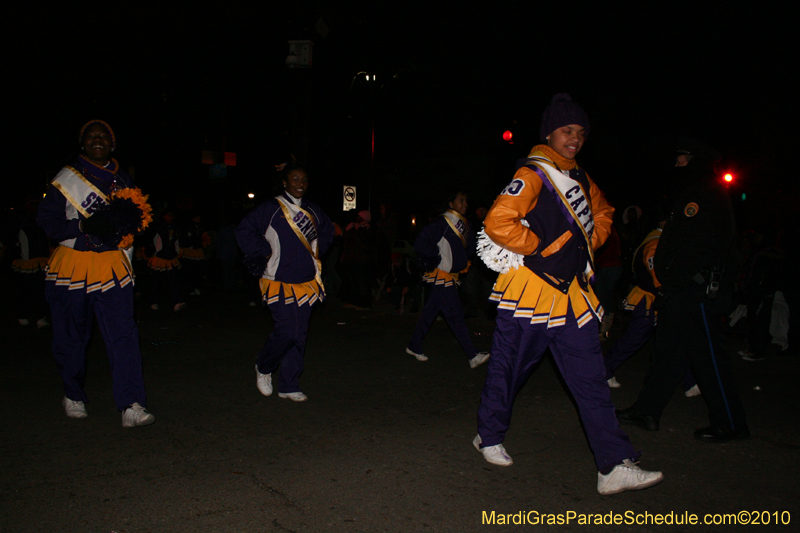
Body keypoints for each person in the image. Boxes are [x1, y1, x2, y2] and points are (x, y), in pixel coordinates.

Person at [474, 94, 662, 495]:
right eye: (567, 131)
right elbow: (497, 221)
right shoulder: (534, 173)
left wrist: (588, 241)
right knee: (510, 368)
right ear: (549, 133)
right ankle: (489, 434)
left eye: (580, 132)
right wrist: (542, 247)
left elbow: (605, 212)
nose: (574, 139)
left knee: (591, 380)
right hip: (531, 292)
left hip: (572, 295)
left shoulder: (581, 177)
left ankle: (612, 465)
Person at [617, 138, 748, 442]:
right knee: (668, 352)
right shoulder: (696, 191)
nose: (676, 164)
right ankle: (647, 411)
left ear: (695, 160)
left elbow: (695, 248)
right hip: (684, 289)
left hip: (696, 290)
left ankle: (730, 422)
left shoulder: (704, 194)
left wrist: (673, 283)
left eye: (681, 159)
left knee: (709, 356)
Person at [36, 120, 155, 427]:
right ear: (83, 143)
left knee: (124, 335)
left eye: (104, 136)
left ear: (112, 145)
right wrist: (82, 227)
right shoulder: (65, 179)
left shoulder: (123, 179)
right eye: (91, 136)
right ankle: (72, 393)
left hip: (112, 265)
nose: (97, 140)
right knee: (72, 335)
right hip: (73, 264)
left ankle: (131, 404)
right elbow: (47, 222)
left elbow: (135, 222)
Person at [236, 162, 334, 402]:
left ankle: (289, 384)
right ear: (284, 181)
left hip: (306, 281)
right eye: (295, 179)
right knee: (287, 332)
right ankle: (264, 365)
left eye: (304, 180)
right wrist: (265, 251)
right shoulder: (270, 208)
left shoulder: (313, 209)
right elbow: (244, 231)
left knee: (299, 334)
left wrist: (314, 252)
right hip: (277, 280)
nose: (300, 184)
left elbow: (328, 232)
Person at [405, 191, 490, 368]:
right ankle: (472, 354)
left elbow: (468, 247)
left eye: (466, 200)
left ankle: (414, 345)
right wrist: (435, 256)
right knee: (455, 315)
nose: (465, 204)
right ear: (450, 203)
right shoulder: (442, 222)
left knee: (430, 313)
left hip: (451, 275)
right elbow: (421, 243)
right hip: (442, 276)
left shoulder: (464, 224)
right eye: (461, 200)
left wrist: (465, 260)